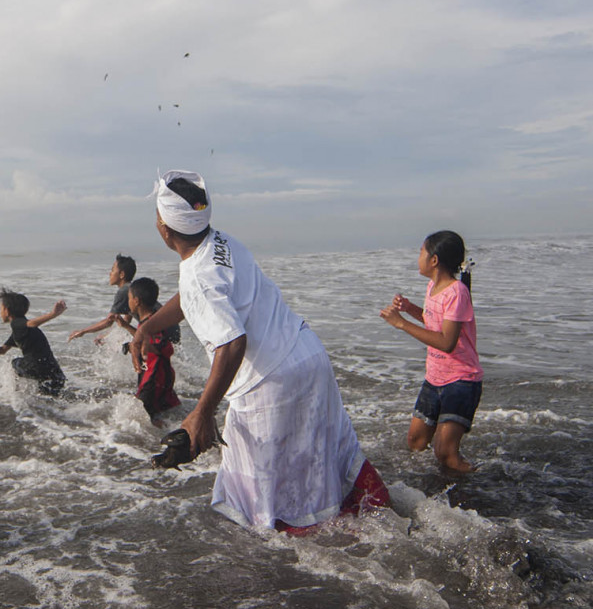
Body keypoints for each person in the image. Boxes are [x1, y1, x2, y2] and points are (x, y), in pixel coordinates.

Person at [133, 170, 388, 532]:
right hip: (307, 356)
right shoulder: (222, 242)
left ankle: (315, 573)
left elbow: (232, 342)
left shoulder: (197, 277)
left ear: (164, 229)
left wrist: (202, 413)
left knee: (259, 501)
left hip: (271, 384)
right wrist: (148, 326)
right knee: (330, 460)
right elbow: (197, 297)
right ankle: (393, 524)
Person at [379, 231, 480, 473]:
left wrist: (401, 324)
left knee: (445, 453)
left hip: (461, 381)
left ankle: (479, 483)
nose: (418, 257)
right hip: (434, 378)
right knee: (416, 442)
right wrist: (410, 309)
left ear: (434, 260)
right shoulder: (433, 286)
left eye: (421, 252)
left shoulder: (456, 292)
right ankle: (432, 488)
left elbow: (447, 342)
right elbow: (432, 320)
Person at [0, 290, 68, 395]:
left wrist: (52, 314)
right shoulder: (20, 331)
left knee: (13, 363)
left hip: (34, 367)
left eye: (1, 309)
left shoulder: (18, 324)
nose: (0, 312)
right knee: (51, 398)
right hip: (54, 371)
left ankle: (15, 394)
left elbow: (31, 323)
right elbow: (2, 350)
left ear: (7, 311)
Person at [122, 277, 181, 424]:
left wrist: (134, 346)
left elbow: (159, 345)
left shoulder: (151, 326)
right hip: (161, 381)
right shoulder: (152, 322)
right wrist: (126, 331)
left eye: (129, 298)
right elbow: (142, 338)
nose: (128, 302)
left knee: (147, 421)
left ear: (136, 301)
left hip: (152, 381)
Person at [68, 254, 137, 343]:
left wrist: (83, 331)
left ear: (122, 274)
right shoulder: (131, 288)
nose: (110, 273)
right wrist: (106, 337)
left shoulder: (123, 291)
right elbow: (126, 320)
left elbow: (109, 321)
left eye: (112, 270)